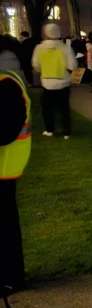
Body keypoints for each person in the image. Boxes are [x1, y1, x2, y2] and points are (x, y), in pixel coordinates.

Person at [0, 61, 31, 293]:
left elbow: (7, 129)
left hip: (4, 169)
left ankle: (10, 278)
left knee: (5, 227)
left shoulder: (6, 85)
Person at [31, 23, 77, 138]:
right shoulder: (65, 48)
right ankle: (66, 131)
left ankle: (49, 129)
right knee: (64, 108)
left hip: (47, 81)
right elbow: (72, 65)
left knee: (47, 108)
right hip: (63, 81)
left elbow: (36, 65)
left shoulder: (39, 48)